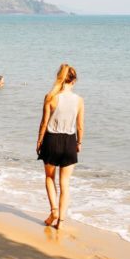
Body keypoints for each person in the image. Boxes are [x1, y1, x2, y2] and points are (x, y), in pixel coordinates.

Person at [36, 63, 84, 229]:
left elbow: (44, 123)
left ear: (60, 77)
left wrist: (39, 141)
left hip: (51, 140)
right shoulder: (79, 100)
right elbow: (80, 127)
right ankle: (61, 222)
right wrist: (79, 143)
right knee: (65, 183)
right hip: (69, 141)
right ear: (74, 80)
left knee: (50, 178)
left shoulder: (51, 97)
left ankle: (54, 210)